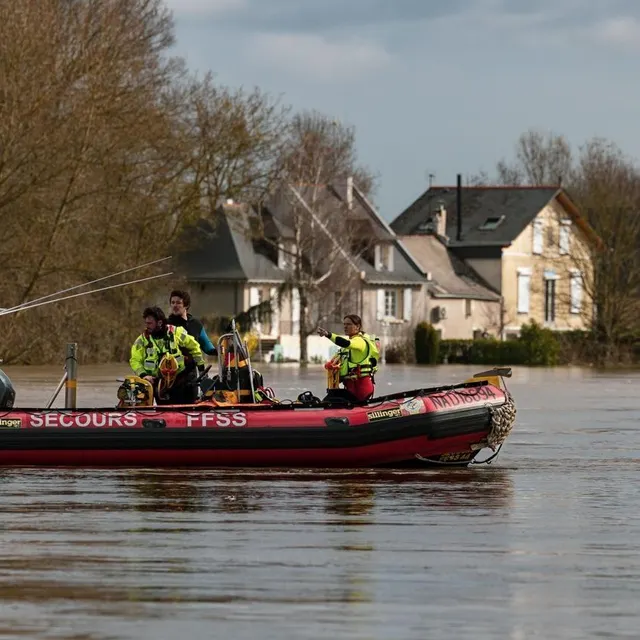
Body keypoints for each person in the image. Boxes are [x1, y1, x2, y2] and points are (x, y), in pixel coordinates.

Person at [130, 306, 205, 404]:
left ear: (160, 323)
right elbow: (135, 360)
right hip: (160, 385)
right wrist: (144, 375)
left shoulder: (176, 332)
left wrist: (201, 366)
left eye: (150, 323)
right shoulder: (142, 340)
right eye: (146, 323)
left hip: (181, 381)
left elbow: (194, 346)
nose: (147, 326)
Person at [316, 314, 380, 402]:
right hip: (351, 388)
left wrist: (328, 335)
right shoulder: (346, 348)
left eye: (349, 324)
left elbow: (346, 343)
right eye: (344, 324)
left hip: (361, 389)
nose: (345, 327)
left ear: (357, 327)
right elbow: (335, 361)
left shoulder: (360, 341)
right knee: (332, 394)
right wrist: (330, 365)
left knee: (331, 398)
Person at [167, 289, 217, 356]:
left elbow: (208, 348)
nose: (175, 305)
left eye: (178, 303)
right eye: (173, 303)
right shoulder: (165, 325)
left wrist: (224, 350)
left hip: (192, 366)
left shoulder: (196, 324)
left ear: (186, 305)